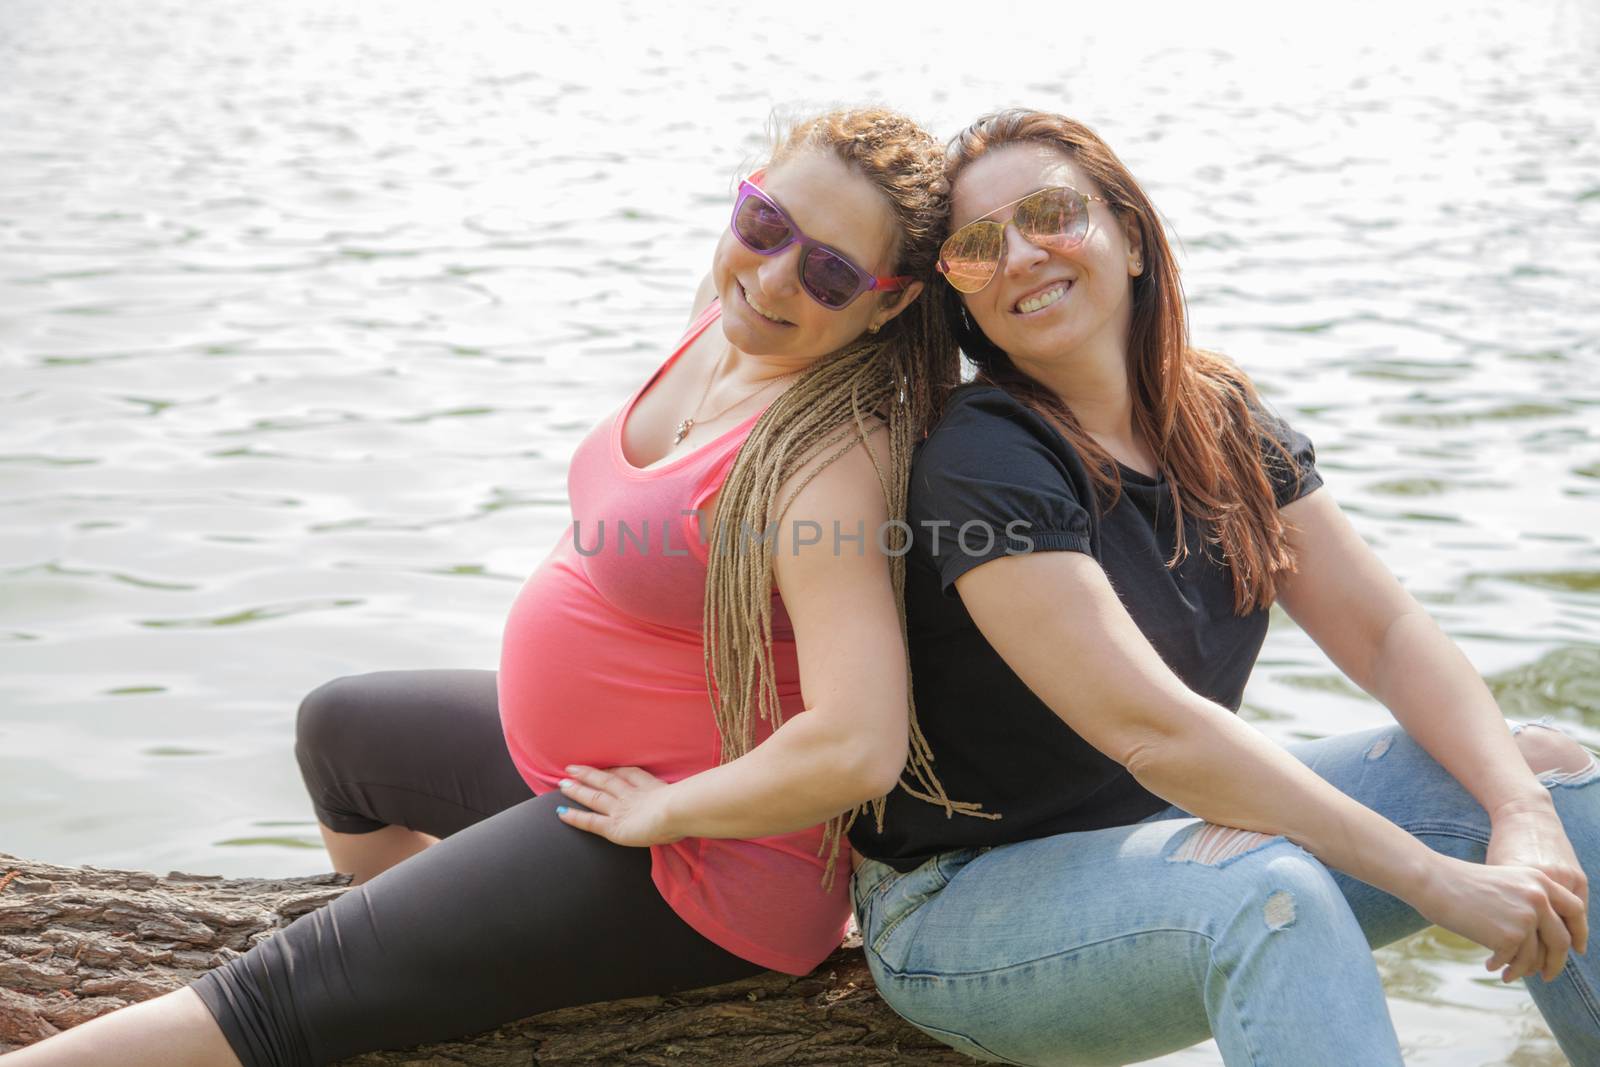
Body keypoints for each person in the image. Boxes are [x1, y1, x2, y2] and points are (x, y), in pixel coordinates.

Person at [4, 107, 967, 1067]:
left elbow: (858, 742)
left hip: (702, 861)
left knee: (277, 997)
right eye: (764, 226)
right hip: (587, 781)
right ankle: (430, 975)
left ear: (889, 303)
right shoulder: (724, 327)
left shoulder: (827, 456)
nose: (771, 276)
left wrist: (665, 813)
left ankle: (336, 992)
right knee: (338, 730)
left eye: (831, 273)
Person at [844, 108, 1600, 1067]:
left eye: (1050, 214)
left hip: (1163, 828)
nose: (1022, 256)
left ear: (1129, 235)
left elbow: (1386, 634)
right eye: (978, 247)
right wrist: (1436, 882)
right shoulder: (982, 456)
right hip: (964, 900)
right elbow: (1152, 729)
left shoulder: (1220, 418)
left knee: (1544, 774)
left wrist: (1519, 815)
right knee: (1267, 890)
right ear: (960, 298)